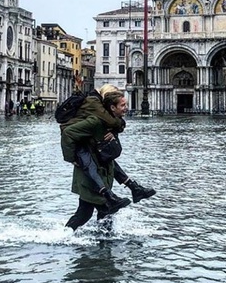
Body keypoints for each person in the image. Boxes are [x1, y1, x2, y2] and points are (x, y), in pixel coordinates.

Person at [60, 88, 155, 230]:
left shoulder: (111, 123)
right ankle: (66, 236)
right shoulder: (95, 121)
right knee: (90, 212)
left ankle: (98, 239)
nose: (126, 108)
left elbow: (113, 137)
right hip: (90, 175)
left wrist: (116, 131)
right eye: (122, 105)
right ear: (112, 107)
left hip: (102, 172)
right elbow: (68, 133)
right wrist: (71, 158)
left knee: (95, 212)